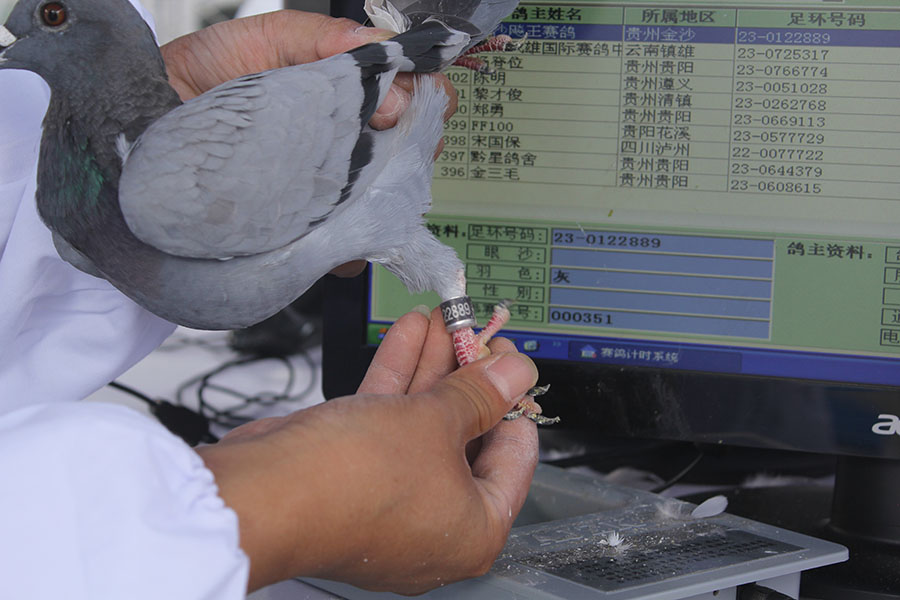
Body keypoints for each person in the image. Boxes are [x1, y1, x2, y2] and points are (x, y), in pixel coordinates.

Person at [0, 4, 540, 599]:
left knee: (431, 265)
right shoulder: (77, 218)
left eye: (52, 15)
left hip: (362, 142)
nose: (15, 31)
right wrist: (296, 499)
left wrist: (420, 52)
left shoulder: (151, 192)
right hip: (312, 160)